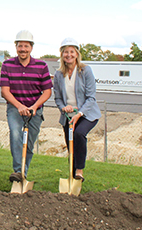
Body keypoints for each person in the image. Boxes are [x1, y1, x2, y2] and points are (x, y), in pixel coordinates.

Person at [0, 30, 53, 182]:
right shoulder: (7, 65)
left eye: (26, 46)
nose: (23, 49)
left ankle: (23, 172)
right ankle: (18, 170)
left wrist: (34, 106)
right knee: (16, 134)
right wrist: (19, 106)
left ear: (31, 48)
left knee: (29, 142)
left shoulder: (41, 66)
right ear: (16, 47)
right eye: (20, 46)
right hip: (15, 108)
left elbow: (47, 92)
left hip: (34, 109)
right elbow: (5, 91)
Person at [53, 37, 101, 182]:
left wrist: (79, 113)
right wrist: (64, 108)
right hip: (68, 115)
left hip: (86, 113)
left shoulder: (85, 71)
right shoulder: (58, 74)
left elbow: (91, 97)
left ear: (77, 53)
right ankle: (73, 177)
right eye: (66, 52)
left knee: (79, 134)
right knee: (71, 145)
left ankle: (79, 170)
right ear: (61, 54)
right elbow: (58, 98)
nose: (69, 55)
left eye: (72, 52)